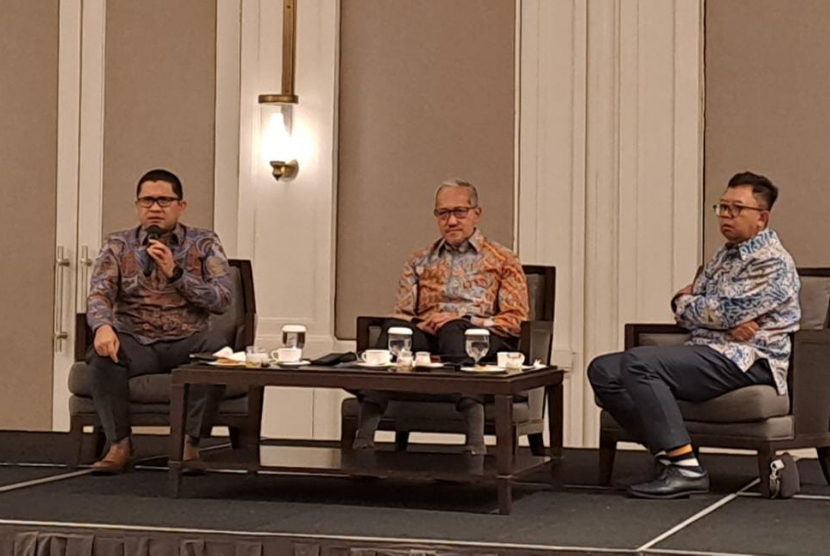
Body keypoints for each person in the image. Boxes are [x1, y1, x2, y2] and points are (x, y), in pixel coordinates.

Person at [588, 171, 801, 499]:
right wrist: (694, 307)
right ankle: (669, 455)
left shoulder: (773, 262)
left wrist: (704, 310)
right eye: (722, 207)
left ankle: (686, 470)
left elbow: (724, 311)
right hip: (708, 351)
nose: (726, 215)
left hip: (748, 360)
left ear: (762, 218)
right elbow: (697, 311)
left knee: (639, 363)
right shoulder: (723, 256)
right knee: (603, 369)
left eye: (736, 209)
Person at [353, 178, 530, 455]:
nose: (451, 221)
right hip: (428, 337)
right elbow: (402, 312)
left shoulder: (503, 259)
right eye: (443, 213)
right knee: (396, 330)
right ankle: (363, 440)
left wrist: (466, 319)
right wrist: (418, 323)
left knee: (455, 331)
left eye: (460, 212)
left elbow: (516, 321)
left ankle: (475, 443)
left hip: (482, 340)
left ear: (476, 214)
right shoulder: (419, 260)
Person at [85, 169, 233, 474]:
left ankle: (189, 445)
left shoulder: (204, 242)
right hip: (136, 339)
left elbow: (222, 300)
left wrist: (176, 273)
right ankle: (119, 445)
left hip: (188, 338)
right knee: (101, 356)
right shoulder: (118, 244)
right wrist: (102, 327)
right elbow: (99, 292)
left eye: (164, 200)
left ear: (181, 206)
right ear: (137, 206)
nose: (155, 208)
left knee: (218, 352)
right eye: (147, 201)